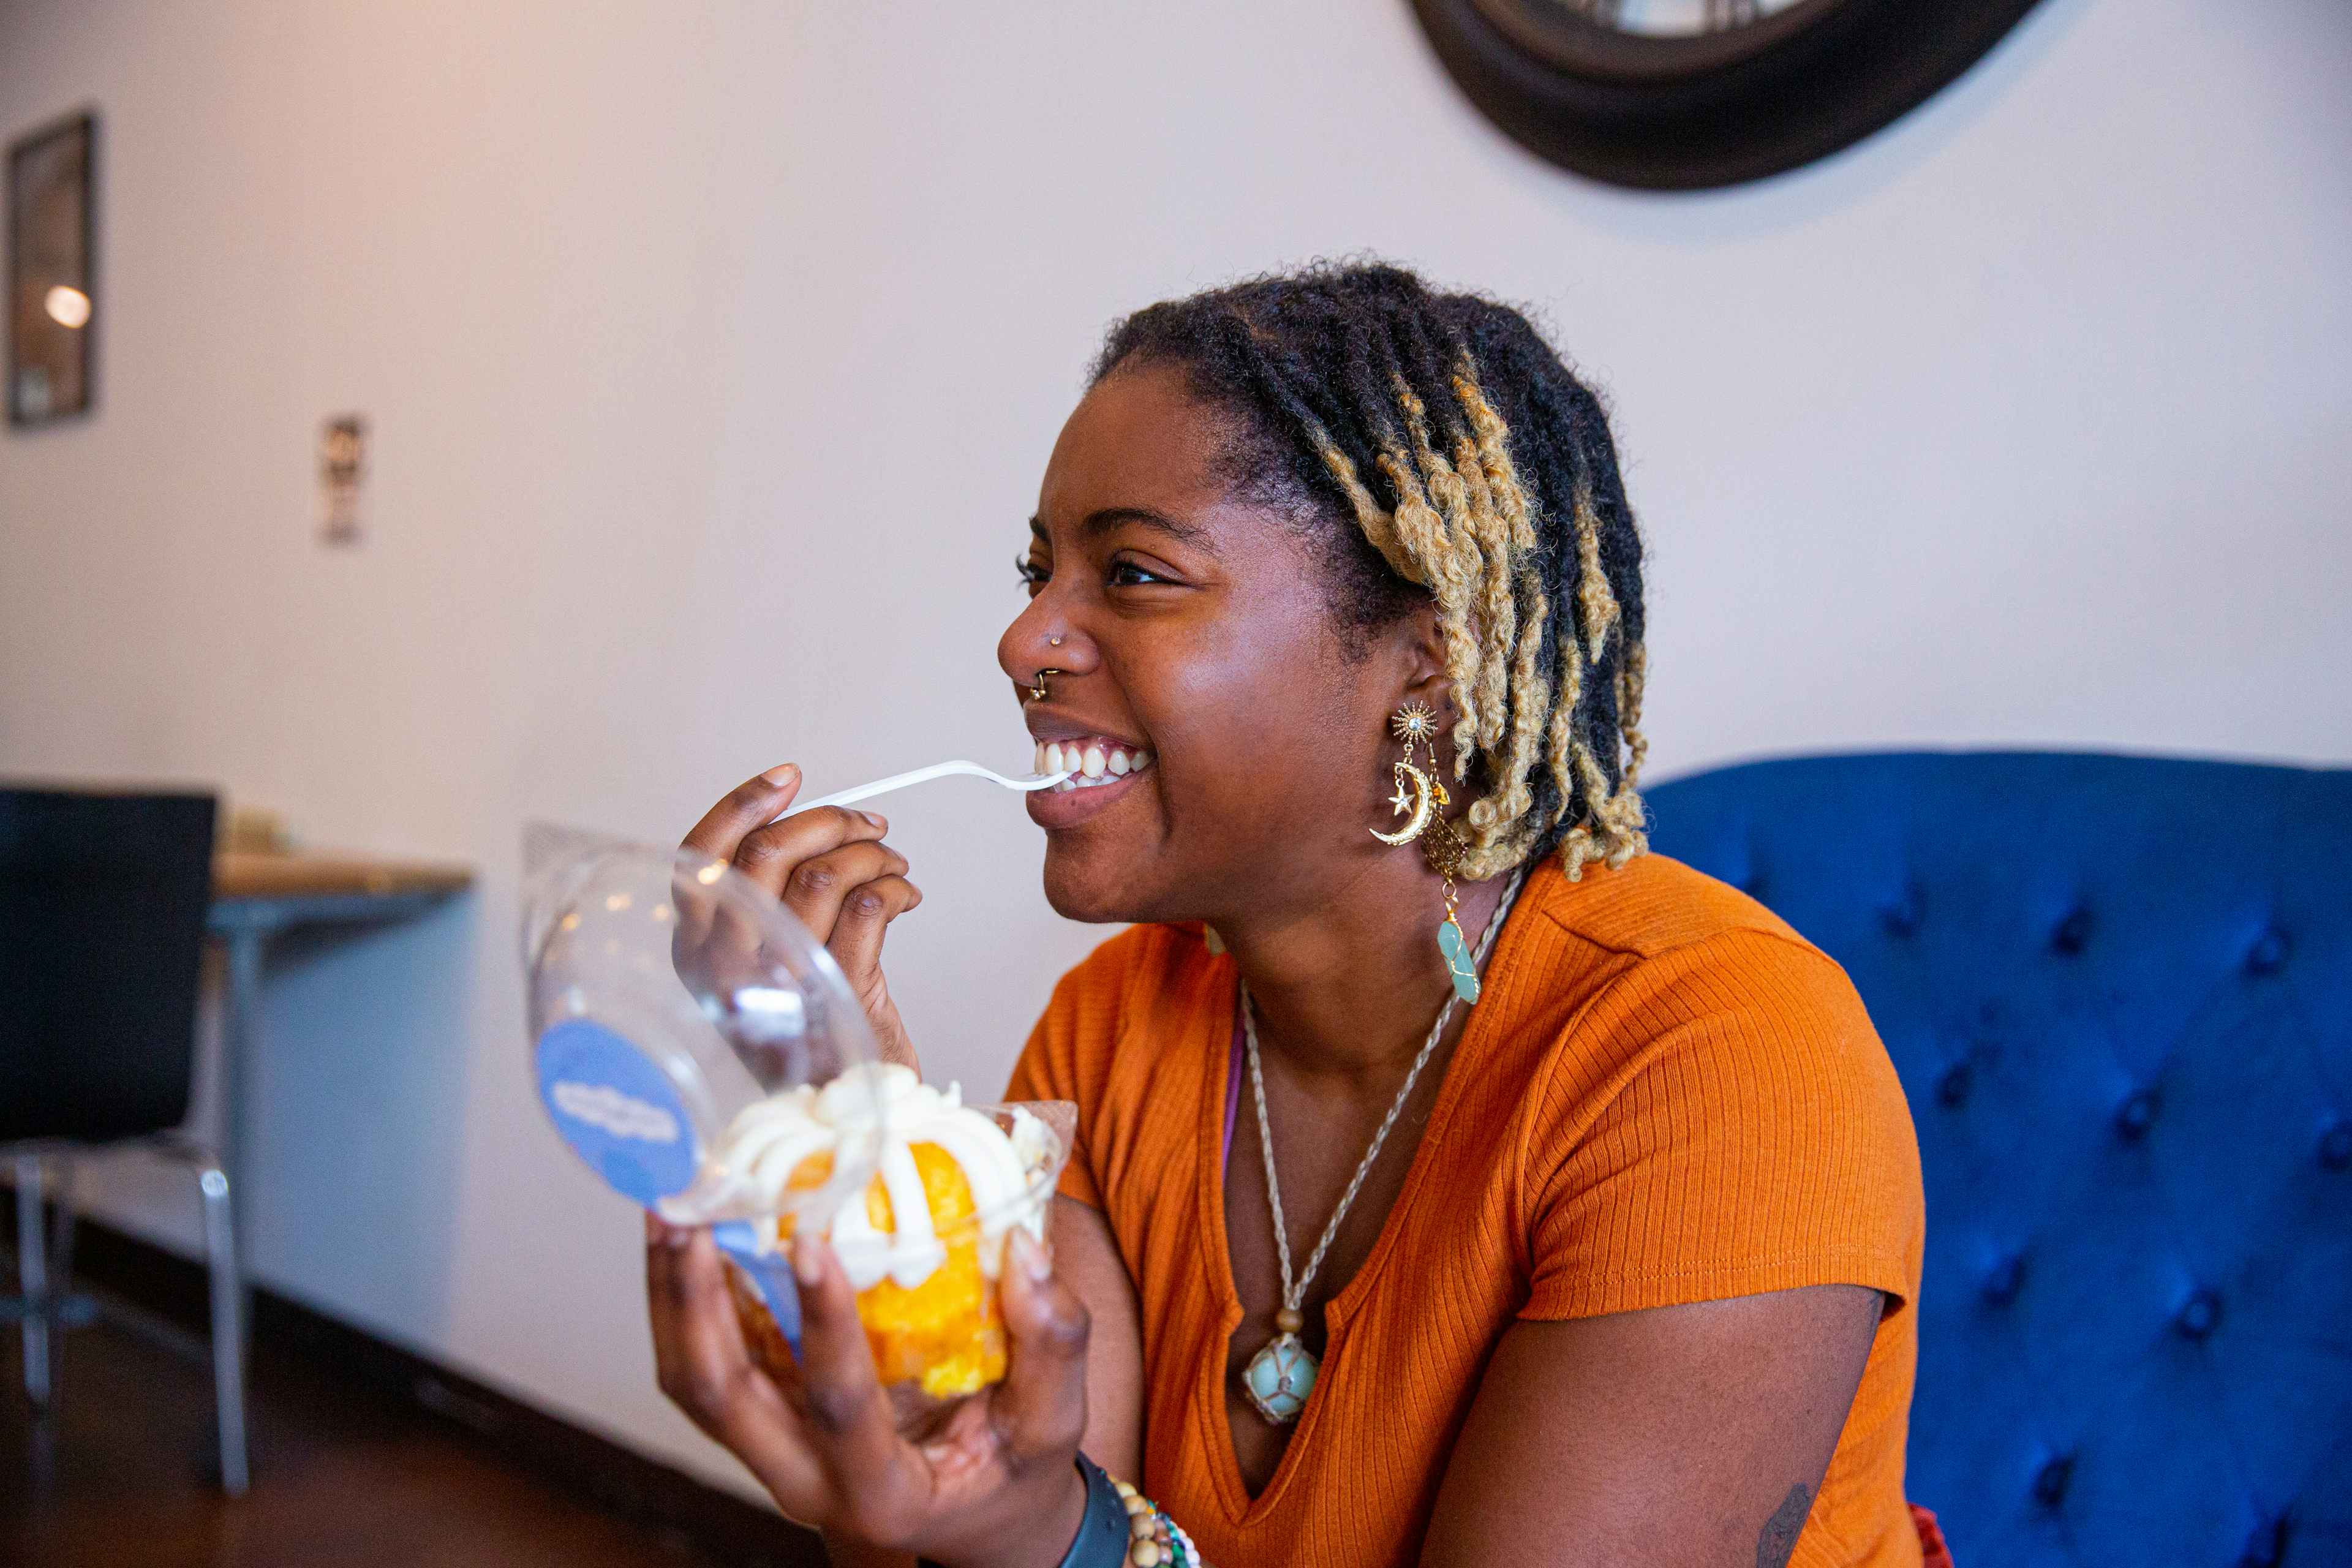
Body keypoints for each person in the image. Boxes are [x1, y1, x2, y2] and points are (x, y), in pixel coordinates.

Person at [644, 264, 1948, 1568]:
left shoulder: (1724, 1064)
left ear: (1424, 664)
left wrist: (1059, 1530)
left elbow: (1051, 1524)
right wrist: (873, 1160)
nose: (1024, 635)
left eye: (1137, 572)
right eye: (1042, 569)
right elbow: (949, 1518)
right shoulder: (1110, 1031)